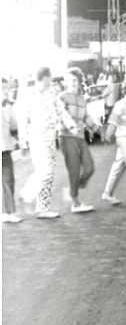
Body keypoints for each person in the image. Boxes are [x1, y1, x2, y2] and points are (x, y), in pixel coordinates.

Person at [17, 67, 78, 218]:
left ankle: (43, 207)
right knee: (45, 170)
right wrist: (23, 142)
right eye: (50, 77)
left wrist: (71, 125)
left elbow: (61, 110)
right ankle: (27, 194)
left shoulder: (52, 93)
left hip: (51, 135)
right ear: (44, 77)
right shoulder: (29, 94)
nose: (52, 80)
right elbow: (23, 119)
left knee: (49, 173)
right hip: (36, 136)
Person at [58, 67, 101, 213]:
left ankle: (72, 189)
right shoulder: (62, 97)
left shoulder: (82, 99)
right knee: (74, 170)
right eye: (69, 80)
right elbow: (61, 116)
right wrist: (70, 128)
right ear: (65, 82)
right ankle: (75, 203)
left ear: (79, 81)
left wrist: (98, 131)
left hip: (81, 137)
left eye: (75, 80)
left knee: (89, 167)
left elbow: (86, 117)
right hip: (67, 136)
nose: (72, 82)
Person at [2, 78, 21, 223]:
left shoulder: (8, 107)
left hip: (5, 149)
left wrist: (20, 139)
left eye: (7, 89)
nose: (5, 92)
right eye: (2, 89)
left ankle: (9, 212)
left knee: (8, 180)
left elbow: (14, 127)